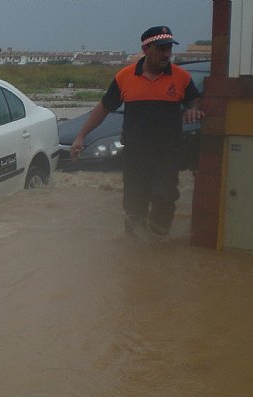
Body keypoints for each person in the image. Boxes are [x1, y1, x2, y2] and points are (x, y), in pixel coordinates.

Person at [70, 26, 206, 239]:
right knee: (134, 206)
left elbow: (195, 99)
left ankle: (158, 245)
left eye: (169, 48)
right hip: (135, 154)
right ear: (146, 49)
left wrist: (193, 109)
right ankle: (134, 252)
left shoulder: (181, 77)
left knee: (164, 197)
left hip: (167, 154)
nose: (167, 54)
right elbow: (104, 108)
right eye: (161, 48)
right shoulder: (124, 77)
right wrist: (81, 136)